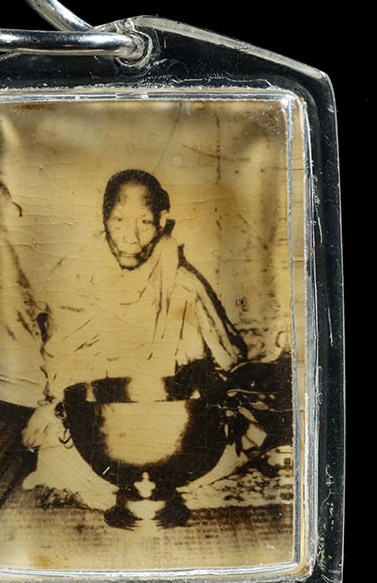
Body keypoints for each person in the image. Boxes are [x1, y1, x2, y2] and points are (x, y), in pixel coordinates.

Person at [20, 169, 251, 523]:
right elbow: (61, 364)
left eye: (144, 222)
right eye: (119, 221)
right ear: (104, 219)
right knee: (61, 464)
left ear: (161, 221)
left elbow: (224, 358)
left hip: (168, 416)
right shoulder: (74, 275)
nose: (131, 236)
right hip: (101, 419)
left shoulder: (177, 274)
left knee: (223, 450)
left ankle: (155, 470)